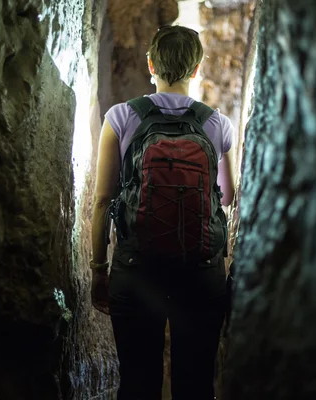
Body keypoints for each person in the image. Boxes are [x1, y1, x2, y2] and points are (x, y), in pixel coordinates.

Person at [90, 24, 235, 400]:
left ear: (150, 64)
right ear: (197, 69)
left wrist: (97, 270)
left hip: (136, 271)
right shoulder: (217, 124)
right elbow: (228, 197)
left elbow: (103, 200)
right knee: (196, 385)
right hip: (201, 274)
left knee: (138, 384)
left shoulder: (120, 118)